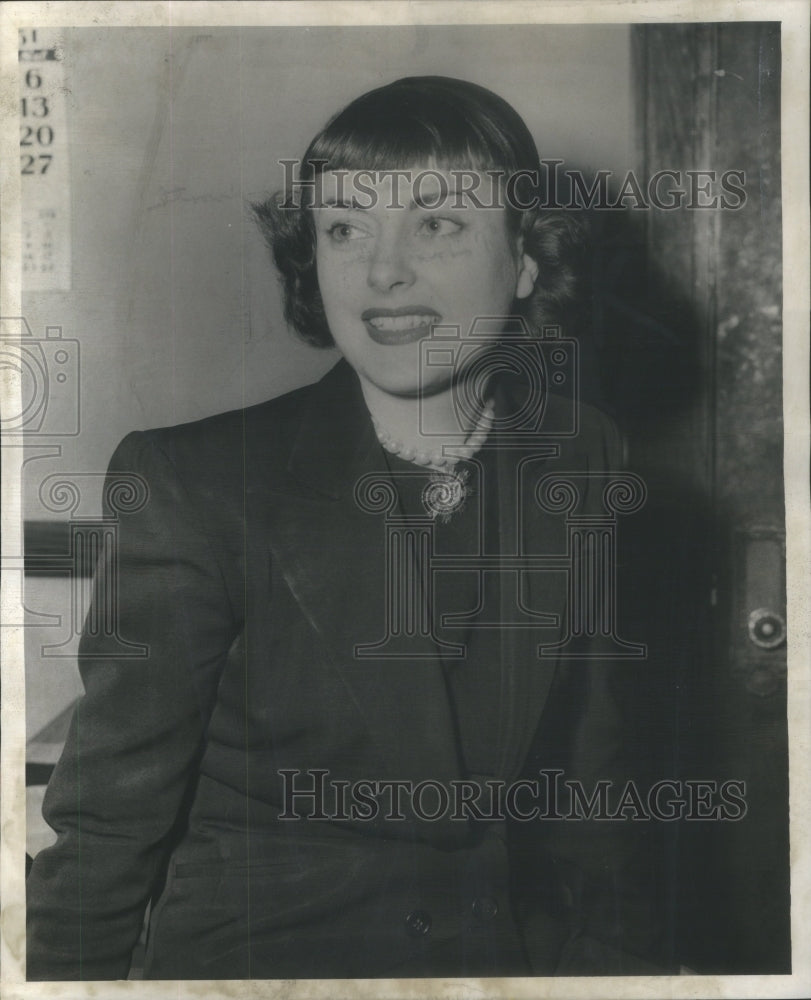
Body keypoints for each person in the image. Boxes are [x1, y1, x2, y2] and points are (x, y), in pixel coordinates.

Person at [26, 75, 666, 980]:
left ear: (526, 257)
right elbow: (106, 825)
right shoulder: (194, 482)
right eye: (344, 228)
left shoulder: (580, 454)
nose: (381, 269)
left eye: (437, 224)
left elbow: (594, 779)